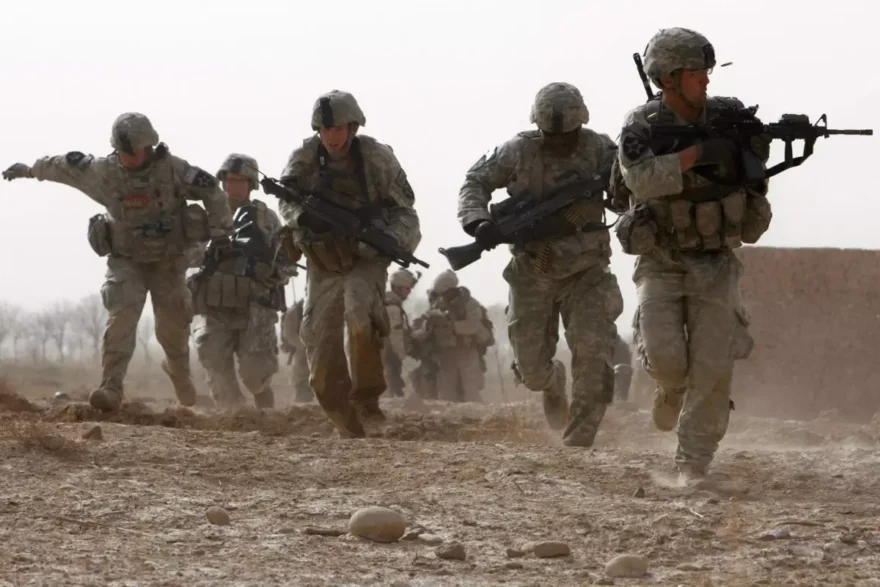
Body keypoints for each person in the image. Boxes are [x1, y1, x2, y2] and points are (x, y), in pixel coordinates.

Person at [614, 27, 769, 481]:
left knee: (713, 368)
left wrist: (749, 152)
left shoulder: (729, 116)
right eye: (696, 73)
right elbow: (641, 180)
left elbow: (756, 179)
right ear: (668, 78)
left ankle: (693, 463)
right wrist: (700, 153)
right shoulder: (641, 125)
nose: (706, 80)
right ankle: (669, 389)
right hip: (660, 261)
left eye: (707, 71)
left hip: (715, 262)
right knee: (667, 360)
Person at [2, 112, 232, 412]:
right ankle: (111, 387)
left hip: (169, 262)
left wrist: (221, 233)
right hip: (126, 262)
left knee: (173, 328)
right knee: (122, 316)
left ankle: (180, 375)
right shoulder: (104, 172)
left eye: (134, 152)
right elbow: (63, 167)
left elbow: (213, 191)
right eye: (124, 152)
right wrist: (31, 170)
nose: (129, 158)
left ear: (149, 147)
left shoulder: (175, 170)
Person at [457, 83, 622, 446]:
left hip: (587, 271)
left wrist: (619, 191)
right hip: (532, 269)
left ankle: (579, 438)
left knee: (593, 355)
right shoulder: (518, 150)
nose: (559, 141)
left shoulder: (600, 149)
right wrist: (478, 222)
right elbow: (475, 180)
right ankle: (552, 382)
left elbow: (628, 191)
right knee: (530, 369)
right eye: (551, 134)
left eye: (567, 134)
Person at [275, 90, 421, 437]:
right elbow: (286, 200)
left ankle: (367, 401)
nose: (332, 136)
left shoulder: (376, 158)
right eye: (325, 129)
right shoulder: (303, 158)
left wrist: (387, 240)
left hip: (364, 258)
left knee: (359, 315)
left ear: (353, 127)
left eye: (339, 128)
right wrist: (303, 218)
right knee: (319, 344)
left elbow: (405, 212)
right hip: (323, 261)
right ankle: (347, 424)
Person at [189, 153, 291, 409]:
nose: (233, 186)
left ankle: (265, 407)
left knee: (255, 374)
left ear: (251, 184)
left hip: (254, 303)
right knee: (213, 359)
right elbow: (186, 255)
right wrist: (208, 253)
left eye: (240, 181)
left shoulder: (266, 218)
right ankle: (234, 418)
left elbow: (287, 259)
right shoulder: (206, 217)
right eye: (229, 180)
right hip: (214, 304)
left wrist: (271, 270)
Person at [410, 270, 490, 403]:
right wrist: (424, 329)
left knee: (471, 390)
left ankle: (477, 415)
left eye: (444, 293)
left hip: (467, 352)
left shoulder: (469, 303)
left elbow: (474, 325)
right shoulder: (438, 304)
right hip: (445, 355)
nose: (442, 296)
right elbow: (424, 326)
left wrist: (450, 325)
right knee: (447, 393)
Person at [382, 268, 419, 397]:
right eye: (407, 289)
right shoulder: (392, 307)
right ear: (398, 288)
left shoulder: (387, 302)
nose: (409, 292)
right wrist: (399, 358)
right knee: (389, 393)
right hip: (388, 358)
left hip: (385, 357)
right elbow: (393, 337)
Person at [280, 298, 313, 403]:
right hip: (303, 350)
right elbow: (289, 333)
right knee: (302, 373)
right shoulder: (295, 311)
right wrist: (305, 346)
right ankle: (303, 400)